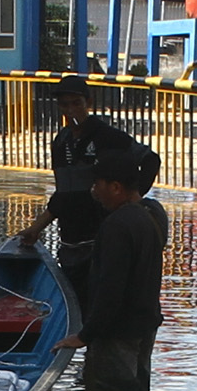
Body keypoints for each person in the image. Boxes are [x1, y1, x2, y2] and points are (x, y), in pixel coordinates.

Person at [25, 78, 158, 273]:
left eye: (76, 103)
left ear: (88, 103)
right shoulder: (61, 142)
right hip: (70, 245)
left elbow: (150, 160)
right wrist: (35, 228)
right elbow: (63, 195)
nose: (71, 110)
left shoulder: (108, 137)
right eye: (64, 104)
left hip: (103, 241)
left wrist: (132, 199)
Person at [74, 159, 165, 391]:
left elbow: (110, 288)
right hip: (146, 321)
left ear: (115, 187)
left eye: (98, 184)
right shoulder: (153, 214)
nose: (94, 191)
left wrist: (85, 335)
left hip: (119, 328)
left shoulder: (116, 226)